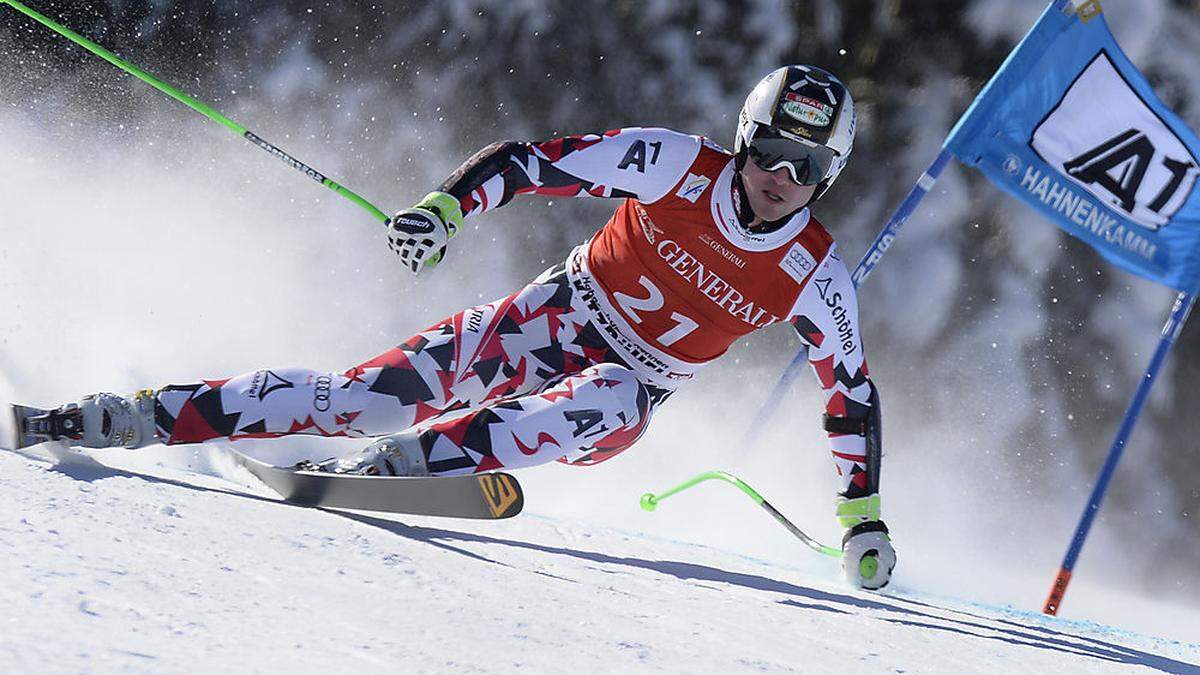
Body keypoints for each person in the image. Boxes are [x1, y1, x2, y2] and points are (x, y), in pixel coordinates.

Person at [13, 65, 896, 589]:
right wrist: (446, 209)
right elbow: (531, 162)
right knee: (365, 396)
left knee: (591, 405)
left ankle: (399, 468)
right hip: (551, 313)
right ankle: (135, 414)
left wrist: (861, 519)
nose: (782, 175)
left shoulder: (814, 275)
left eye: (807, 165)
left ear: (829, 174)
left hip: (634, 384)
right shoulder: (671, 163)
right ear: (746, 137)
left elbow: (848, 397)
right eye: (773, 149)